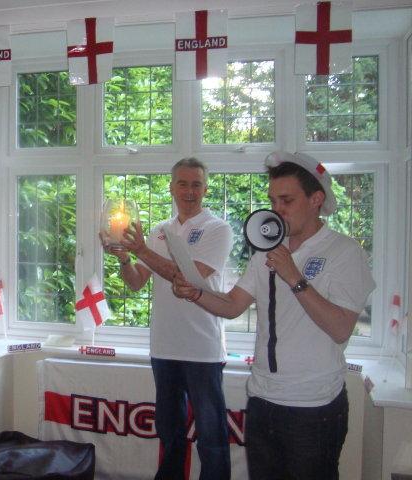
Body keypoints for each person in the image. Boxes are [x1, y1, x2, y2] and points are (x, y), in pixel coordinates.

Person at [173, 151, 375, 480]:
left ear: (316, 199)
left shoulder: (343, 251)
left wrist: (294, 276)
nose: (276, 209)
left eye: (287, 200)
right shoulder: (267, 250)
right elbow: (233, 305)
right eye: (273, 200)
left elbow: (340, 328)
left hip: (314, 406)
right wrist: (196, 293)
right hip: (263, 400)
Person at [102, 157, 233, 480]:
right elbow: (136, 282)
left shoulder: (217, 229)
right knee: (170, 434)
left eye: (196, 184)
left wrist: (142, 251)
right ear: (172, 187)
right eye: (183, 184)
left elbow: (191, 278)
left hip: (203, 349)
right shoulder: (160, 230)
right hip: (164, 347)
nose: (189, 191)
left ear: (206, 188)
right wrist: (124, 258)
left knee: (212, 438)